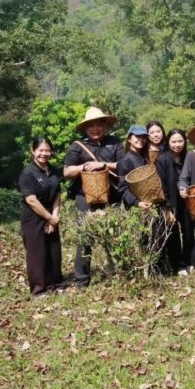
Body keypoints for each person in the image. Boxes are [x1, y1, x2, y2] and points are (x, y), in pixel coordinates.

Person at [63, 106, 122, 287]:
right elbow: (67, 171)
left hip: (111, 195)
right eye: (91, 125)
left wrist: (102, 164)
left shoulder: (115, 143)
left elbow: (124, 164)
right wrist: (84, 167)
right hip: (84, 197)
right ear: (85, 128)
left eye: (99, 124)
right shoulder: (77, 146)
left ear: (106, 125)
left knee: (115, 233)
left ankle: (118, 271)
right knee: (85, 236)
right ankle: (82, 279)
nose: (96, 128)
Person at [18, 137, 63, 296]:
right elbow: (31, 200)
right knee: (37, 254)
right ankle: (38, 290)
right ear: (33, 151)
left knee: (53, 250)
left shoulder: (54, 171)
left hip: (51, 214)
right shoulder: (28, 173)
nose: (44, 153)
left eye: (47, 150)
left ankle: (55, 284)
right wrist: (49, 218)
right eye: (40, 150)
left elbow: (57, 194)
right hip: (33, 217)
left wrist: (54, 217)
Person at [156, 129, 193, 274]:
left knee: (189, 232)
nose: (177, 145)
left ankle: (189, 260)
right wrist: (166, 207)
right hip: (170, 201)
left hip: (188, 200)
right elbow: (161, 184)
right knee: (173, 233)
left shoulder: (189, 157)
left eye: (180, 141)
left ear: (185, 142)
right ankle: (178, 264)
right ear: (168, 142)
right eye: (173, 141)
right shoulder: (162, 159)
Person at [117, 125, 152, 210]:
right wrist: (137, 203)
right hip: (135, 208)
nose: (141, 139)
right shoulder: (125, 161)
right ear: (129, 139)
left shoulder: (145, 159)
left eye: (143, 137)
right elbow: (123, 189)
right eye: (137, 136)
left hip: (149, 203)